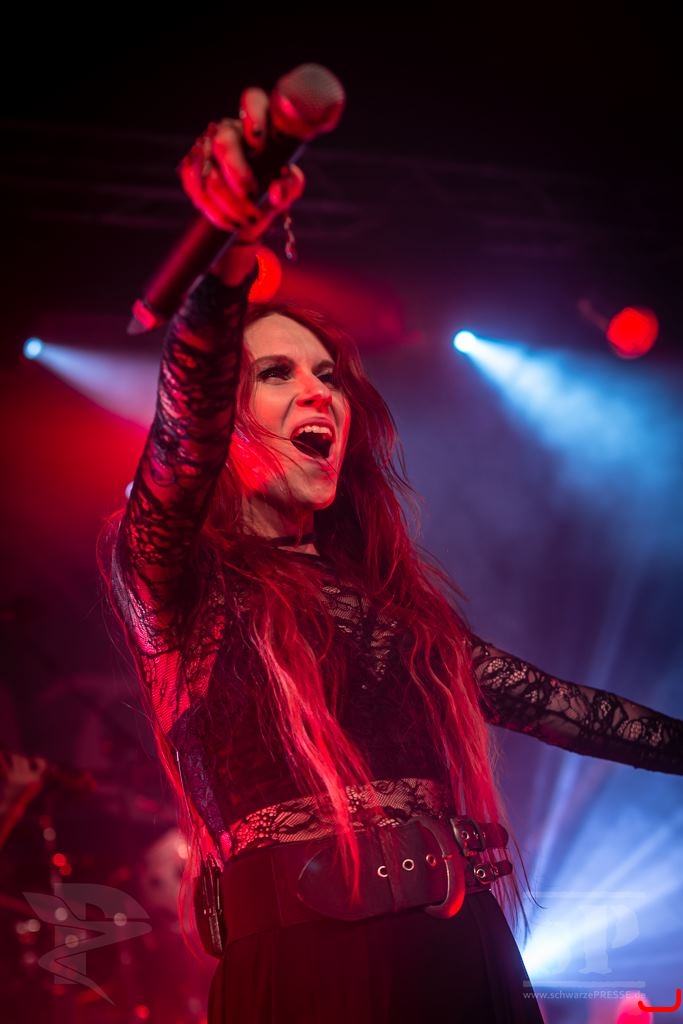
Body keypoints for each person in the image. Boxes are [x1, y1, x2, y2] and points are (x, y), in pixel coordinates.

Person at [106, 86, 683, 1023]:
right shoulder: (173, 583)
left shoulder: (395, 610)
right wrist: (228, 254)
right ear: (229, 419)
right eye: (277, 373)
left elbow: (570, 710)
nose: (319, 393)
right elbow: (183, 417)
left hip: (458, 954)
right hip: (302, 973)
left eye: (329, 376)